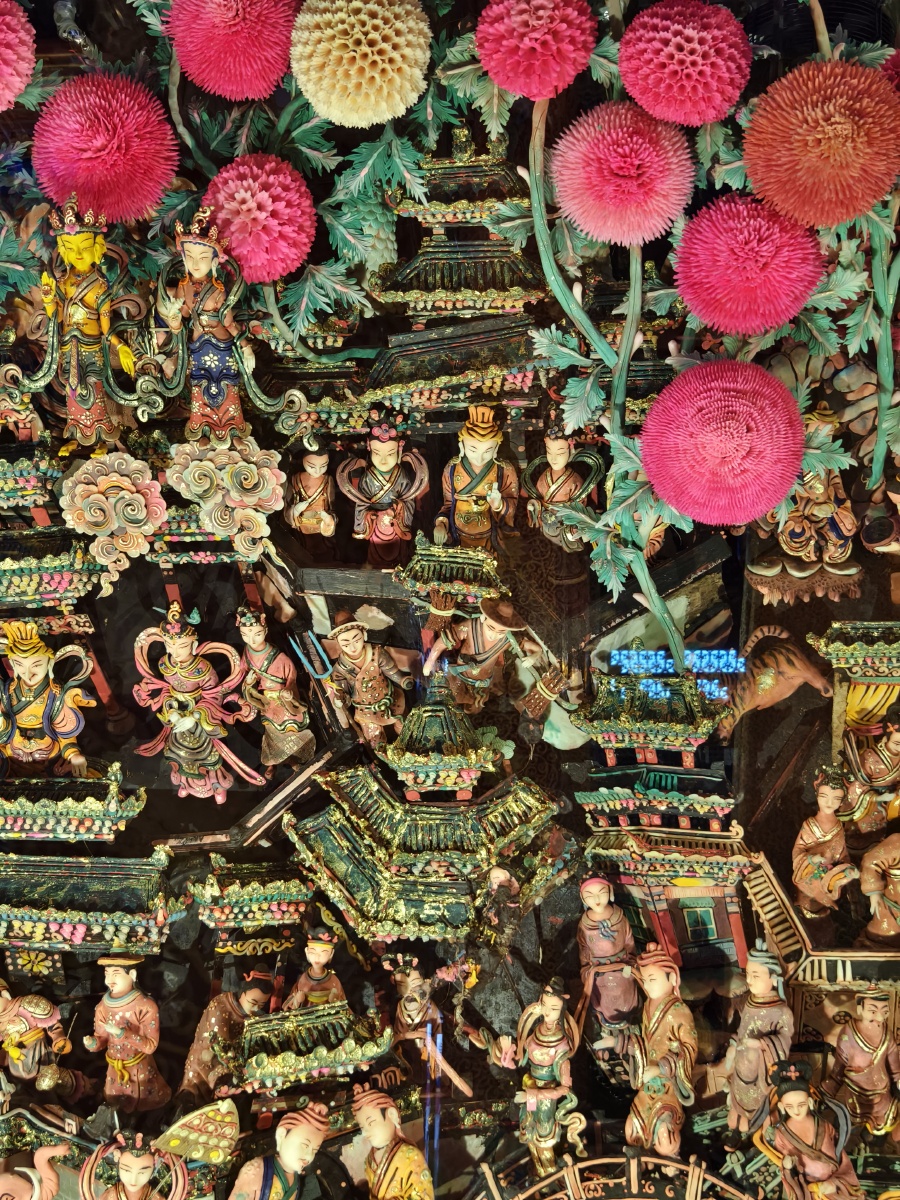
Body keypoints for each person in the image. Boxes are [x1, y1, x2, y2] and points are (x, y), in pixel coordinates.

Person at [133, 602, 264, 805]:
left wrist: (195, 717)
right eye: (170, 646)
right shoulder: (165, 664)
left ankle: (216, 786)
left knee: (206, 755)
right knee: (178, 752)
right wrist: (172, 710)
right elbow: (166, 689)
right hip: (176, 714)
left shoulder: (203, 668)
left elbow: (214, 695)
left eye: (182, 646)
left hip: (199, 716)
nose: (176, 652)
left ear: (194, 645)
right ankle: (184, 783)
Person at [42, 197, 136, 454]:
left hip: (91, 347)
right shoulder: (63, 282)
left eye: (84, 247)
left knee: (93, 389)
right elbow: (56, 317)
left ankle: (102, 437)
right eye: (70, 248)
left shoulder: (100, 286)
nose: (78, 255)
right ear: (62, 250)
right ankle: (76, 433)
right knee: (71, 393)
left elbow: (106, 328)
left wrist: (120, 346)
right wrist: (49, 300)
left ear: (97, 248)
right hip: (68, 346)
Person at [156, 207, 252, 446]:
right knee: (200, 386)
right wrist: (174, 321)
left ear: (214, 261)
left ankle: (232, 431)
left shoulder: (218, 289)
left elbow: (229, 323)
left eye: (202, 258)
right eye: (190, 257)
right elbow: (181, 318)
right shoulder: (183, 286)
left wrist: (246, 347)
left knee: (228, 385)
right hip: (197, 346)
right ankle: (204, 429)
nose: (195, 263)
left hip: (222, 346)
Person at [598, 943, 697, 1159]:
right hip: (648, 1087)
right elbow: (642, 1044)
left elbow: (689, 1048)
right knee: (631, 1128)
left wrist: (661, 1068)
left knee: (664, 1135)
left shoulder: (679, 1011)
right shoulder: (648, 1008)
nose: (647, 985)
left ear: (672, 978)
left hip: (668, 1088)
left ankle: (670, 1163)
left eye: (652, 979)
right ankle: (642, 1161)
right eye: (644, 980)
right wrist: (616, 1042)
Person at [0, 620, 94, 779]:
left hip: (48, 756)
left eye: (36, 665)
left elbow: (65, 733)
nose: (27, 673)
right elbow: (3, 731)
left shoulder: (55, 694)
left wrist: (73, 754)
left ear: (49, 663)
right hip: (12, 755)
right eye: (19, 665)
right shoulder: (7, 691)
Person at [760, 1061, 863, 1200]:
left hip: (832, 1182)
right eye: (789, 1106)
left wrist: (834, 1183)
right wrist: (787, 1165)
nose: (796, 1110)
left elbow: (839, 1152)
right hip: (805, 1188)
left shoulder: (824, 1125)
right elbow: (782, 1161)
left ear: (809, 1102)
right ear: (782, 1107)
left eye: (801, 1105)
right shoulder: (782, 1134)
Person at [422, 597, 543, 716]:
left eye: (501, 632)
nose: (493, 635)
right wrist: (430, 661)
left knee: (477, 705)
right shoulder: (470, 627)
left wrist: (534, 656)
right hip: (460, 678)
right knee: (451, 700)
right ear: (484, 618)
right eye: (491, 628)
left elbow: (535, 648)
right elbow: (444, 641)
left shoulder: (508, 639)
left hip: (483, 685)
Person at [82, 954, 171, 1113]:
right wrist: (92, 1043)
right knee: (114, 1107)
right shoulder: (102, 1006)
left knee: (145, 1106)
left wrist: (122, 1034)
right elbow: (101, 1037)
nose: (110, 980)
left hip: (138, 1069)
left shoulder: (145, 1006)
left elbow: (150, 1046)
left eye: (116, 974)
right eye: (107, 974)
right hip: (114, 1070)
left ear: (132, 974)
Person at [724, 940, 794, 1140]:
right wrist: (734, 1044)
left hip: (762, 1067)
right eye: (748, 974)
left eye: (756, 976)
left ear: (773, 978)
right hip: (742, 1064)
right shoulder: (749, 1002)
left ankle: (758, 1125)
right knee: (738, 1093)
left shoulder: (781, 1011)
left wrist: (762, 1044)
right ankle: (736, 1123)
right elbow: (743, 1029)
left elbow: (785, 1038)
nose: (750, 980)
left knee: (759, 1100)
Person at [235, 607, 315, 776]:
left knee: (291, 730)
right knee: (272, 733)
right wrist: (249, 682)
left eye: (257, 634)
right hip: (267, 701)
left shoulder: (280, 658)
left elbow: (291, 677)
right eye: (245, 635)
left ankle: (294, 759)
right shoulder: (247, 654)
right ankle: (273, 761)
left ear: (265, 630)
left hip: (283, 700)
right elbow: (244, 673)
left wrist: (288, 690)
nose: (251, 639)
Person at [177, 964, 273, 1103]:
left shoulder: (252, 1015)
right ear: (243, 992)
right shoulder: (221, 1006)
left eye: (261, 1005)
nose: (255, 1008)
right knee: (196, 1094)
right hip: (208, 1058)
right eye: (253, 1002)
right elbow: (221, 1043)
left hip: (233, 1061)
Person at [336, 423, 428, 568]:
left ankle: (399, 566)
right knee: (376, 550)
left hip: (395, 522)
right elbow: (361, 503)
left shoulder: (401, 476)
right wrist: (369, 516)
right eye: (377, 453)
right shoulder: (367, 478)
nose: (383, 460)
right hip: (376, 523)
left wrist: (398, 510)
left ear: (398, 451)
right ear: (370, 450)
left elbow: (408, 500)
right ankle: (375, 567)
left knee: (397, 551)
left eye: (390, 453)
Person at [434, 405, 518, 552]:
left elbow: (513, 503)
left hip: (490, 538)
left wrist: (499, 505)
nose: (480, 458)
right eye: (473, 450)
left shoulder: (504, 469)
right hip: (458, 537)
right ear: (462, 446)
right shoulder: (452, 468)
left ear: (496, 448)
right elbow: (448, 504)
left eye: (487, 451)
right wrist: (441, 524)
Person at [822, 985, 900, 1141]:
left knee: (883, 1126)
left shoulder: (887, 1034)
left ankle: (875, 1143)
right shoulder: (848, 1033)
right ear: (860, 1009)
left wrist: (898, 1080)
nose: (880, 1017)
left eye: (884, 1011)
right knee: (850, 1122)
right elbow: (840, 1063)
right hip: (856, 1090)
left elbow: (894, 1065)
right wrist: (830, 1088)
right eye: (873, 1011)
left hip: (882, 1090)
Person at [325, 612, 414, 746]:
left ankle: (410, 747)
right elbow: (343, 691)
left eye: (356, 640)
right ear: (338, 643)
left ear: (364, 635)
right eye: (346, 644)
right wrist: (341, 698)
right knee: (375, 739)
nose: (352, 647)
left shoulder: (377, 653)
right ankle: (381, 753)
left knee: (405, 726)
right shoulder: (340, 668)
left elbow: (391, 670)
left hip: (389, 699)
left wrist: (402, 680)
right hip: (365, 709)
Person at [226, 1106, 345, 1200]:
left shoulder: (295, 1181)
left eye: (315, 1151)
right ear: (281, 1135)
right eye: (304, 1146)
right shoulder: (257, 1170)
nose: (309, 1157)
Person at [523, 420, 603, 553]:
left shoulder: (574, 480)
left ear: (570, 451)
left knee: (569, 543)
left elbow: (581, 503)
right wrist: (534, 506)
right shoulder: (544, 477)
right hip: (547, 522)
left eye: (560, 453)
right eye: (549, 452)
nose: (554, 459)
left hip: (566, 523)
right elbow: (537, 499)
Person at [791, 764, 859, 920]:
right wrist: (811, 860)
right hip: (808, 874)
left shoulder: (840, 827)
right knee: (808, 900)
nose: (829, 802)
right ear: (816, 795)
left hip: (829, 877)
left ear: (842, 801)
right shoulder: (809, 824)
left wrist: (847, 869)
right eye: (824, 796)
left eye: (836, 798)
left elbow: (843, 855)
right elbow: (798, 849)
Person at [575, 876, 638, 1033]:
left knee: (626, 999)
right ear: (582, 897)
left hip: (623, 969)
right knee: (603, 1002)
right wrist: (588, 972)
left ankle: (631, 1029)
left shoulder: (619, 918)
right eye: (589, 895)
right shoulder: (584, 925)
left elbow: (629, 943)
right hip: (599, 975)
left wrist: (631, 964)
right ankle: (608, 1030)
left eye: (601, 893)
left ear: (610, 891)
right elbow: (584, 952)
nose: (596, 899)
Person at [351, 1084, 434, 1200]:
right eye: (362, 1127)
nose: (365, 1132)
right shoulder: (370, 1160)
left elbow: (423, 1196)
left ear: (392, 1115)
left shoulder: (410, 1156)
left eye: (371, 1123)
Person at [843, 702, 900, 837]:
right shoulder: (870, 758)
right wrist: (877, 798)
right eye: (897, 743)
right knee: (869, 831)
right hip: (871, 803)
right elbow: (856, 786)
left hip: (893, 800)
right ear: (888, 736)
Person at [285, 433, 337, 553]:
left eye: (323, 466)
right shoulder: (295, 479)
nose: (318, 471)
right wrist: (294, 511)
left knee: (323, 552)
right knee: (301, 550)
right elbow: (287, 505)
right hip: (301, 526)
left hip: (321, 526)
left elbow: (333, 507)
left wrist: (329, 518)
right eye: (312, 466)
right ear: (303, 461)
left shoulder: (327, 480)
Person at [284, 929, 345, 1010]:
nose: (317, 957)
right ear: (307, 952)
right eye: (313, 952)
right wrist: (297, 1001)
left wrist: (334, 1000)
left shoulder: (333, 980)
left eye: (323, 953)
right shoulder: (303, 978)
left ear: (331, 954)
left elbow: (343, 1006)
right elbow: (289, 1006)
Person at [859, 831, 900, 947]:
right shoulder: (896, 843)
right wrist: (874, 892)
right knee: (885, 932)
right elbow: (871, 861)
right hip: (892, 905)